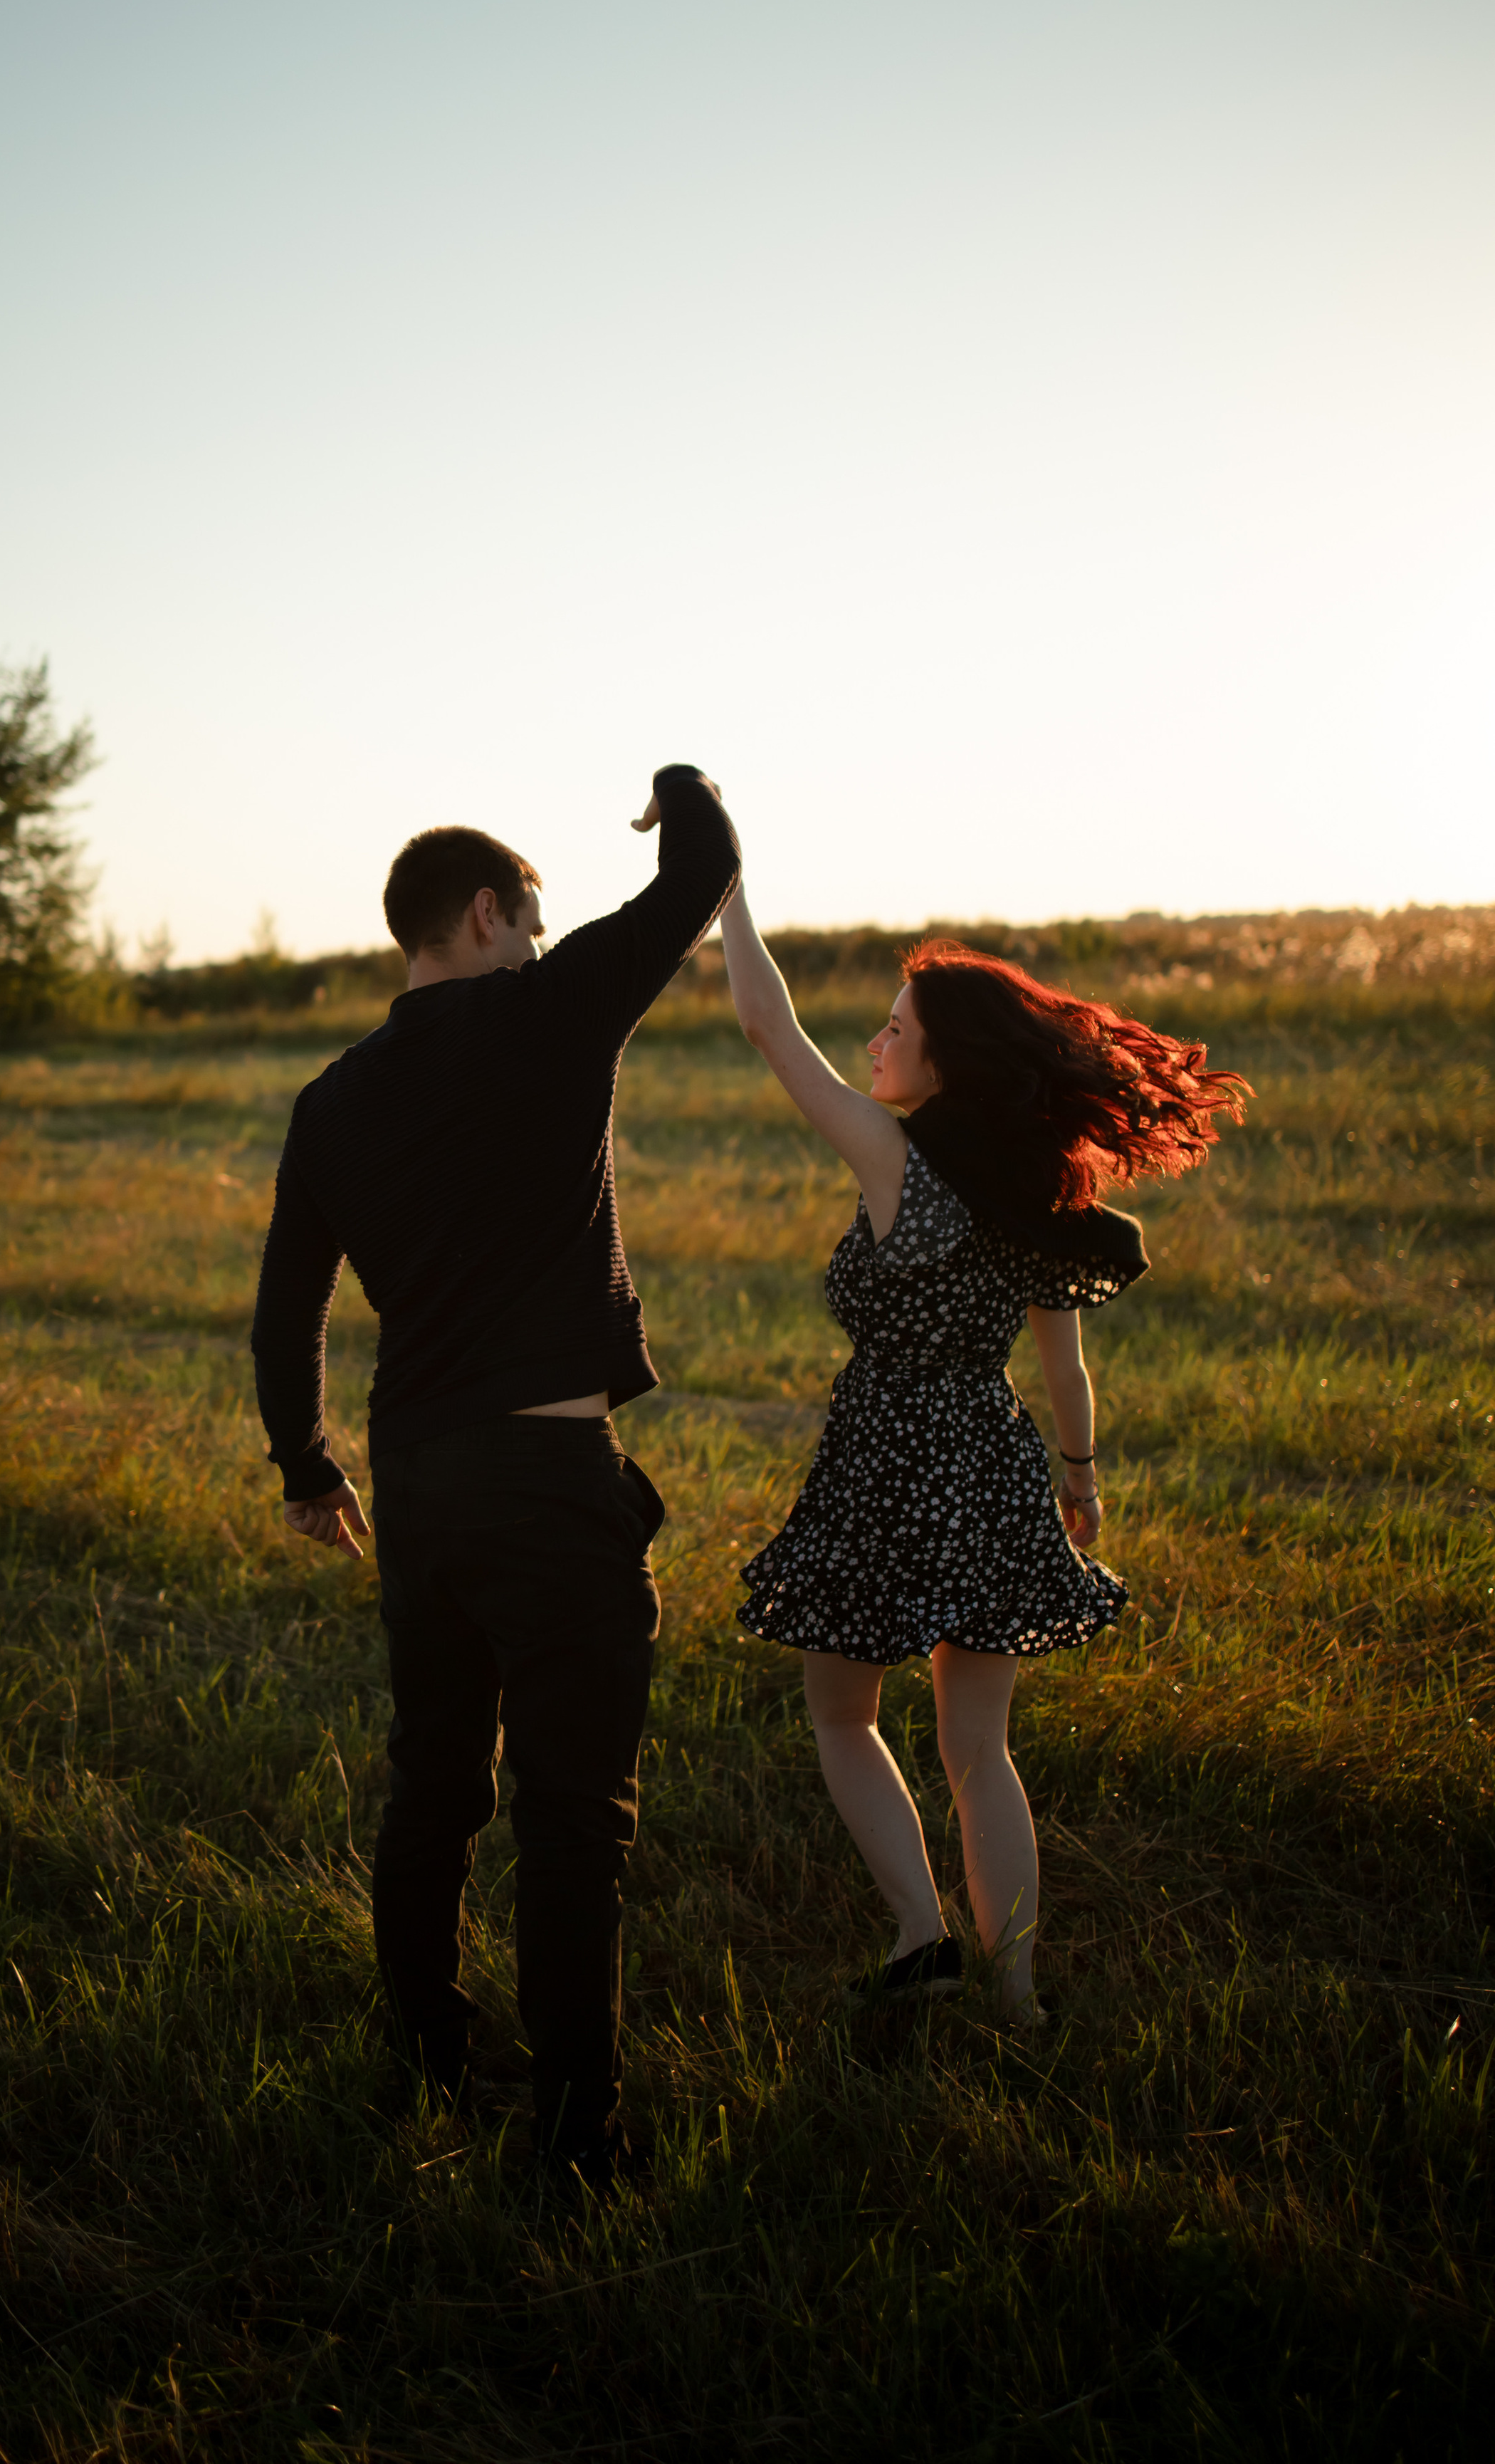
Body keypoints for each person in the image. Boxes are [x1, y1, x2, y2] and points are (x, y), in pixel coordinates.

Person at [250, 768, 740, 2182]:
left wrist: (304, 1468)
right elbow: (698, 872)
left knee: (433, 1781)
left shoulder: (330, 1098)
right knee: (573, 1816)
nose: (540, 937)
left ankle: (421, 2055)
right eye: (530, 916)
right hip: (545, 1470)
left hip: (414, 1481)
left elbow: (287, 1315)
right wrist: (676, 789)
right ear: (485, 912)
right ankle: (577, 2138)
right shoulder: (552, 1009)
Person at [719, 890, 1248, 2016]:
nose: (874, 1044)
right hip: (992, 1464)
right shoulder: (1031, 1195)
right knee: (978, 1750)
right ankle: (1019, 1994)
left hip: (881, 1463)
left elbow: (771, 1027)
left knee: (841, 1717)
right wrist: (1079, 1478)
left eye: (896, 1031)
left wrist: (728, 889)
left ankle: (922, 1935)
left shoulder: (894, 1162)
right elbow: (1064, 1372)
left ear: (947, 1062)